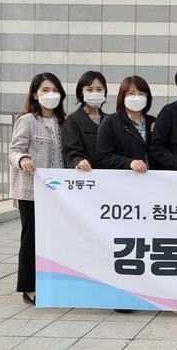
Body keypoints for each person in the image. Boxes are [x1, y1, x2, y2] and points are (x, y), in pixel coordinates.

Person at [9, 73, 66, 305]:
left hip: (58, 193)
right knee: (31, 239)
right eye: (45, 90)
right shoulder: (27, 121)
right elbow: (14, 150)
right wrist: (22, 159)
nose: (51, 94)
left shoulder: (63, 123)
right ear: (35, 94)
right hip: (31, 191)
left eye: (55, 90)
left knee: (53, 238)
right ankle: (29, 288)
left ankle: (52, 282)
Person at [96, 76, 155, 172]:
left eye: (141, 94)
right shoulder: (111, 122)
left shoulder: (152, 122)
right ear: (122, 96)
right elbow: (103, 157)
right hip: (124, 178)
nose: (137, 97)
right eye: (131, 93)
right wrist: (129, 163)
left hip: (153, 177)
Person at [62, 71, 107, 171]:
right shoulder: (73, 121)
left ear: (105, 91)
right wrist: (78, 161)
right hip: (85, 175)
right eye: (89, 89)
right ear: (81, 92)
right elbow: (71, 151)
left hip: (109, 177)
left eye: (99, 89)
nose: (95, 93)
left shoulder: (110, 120)